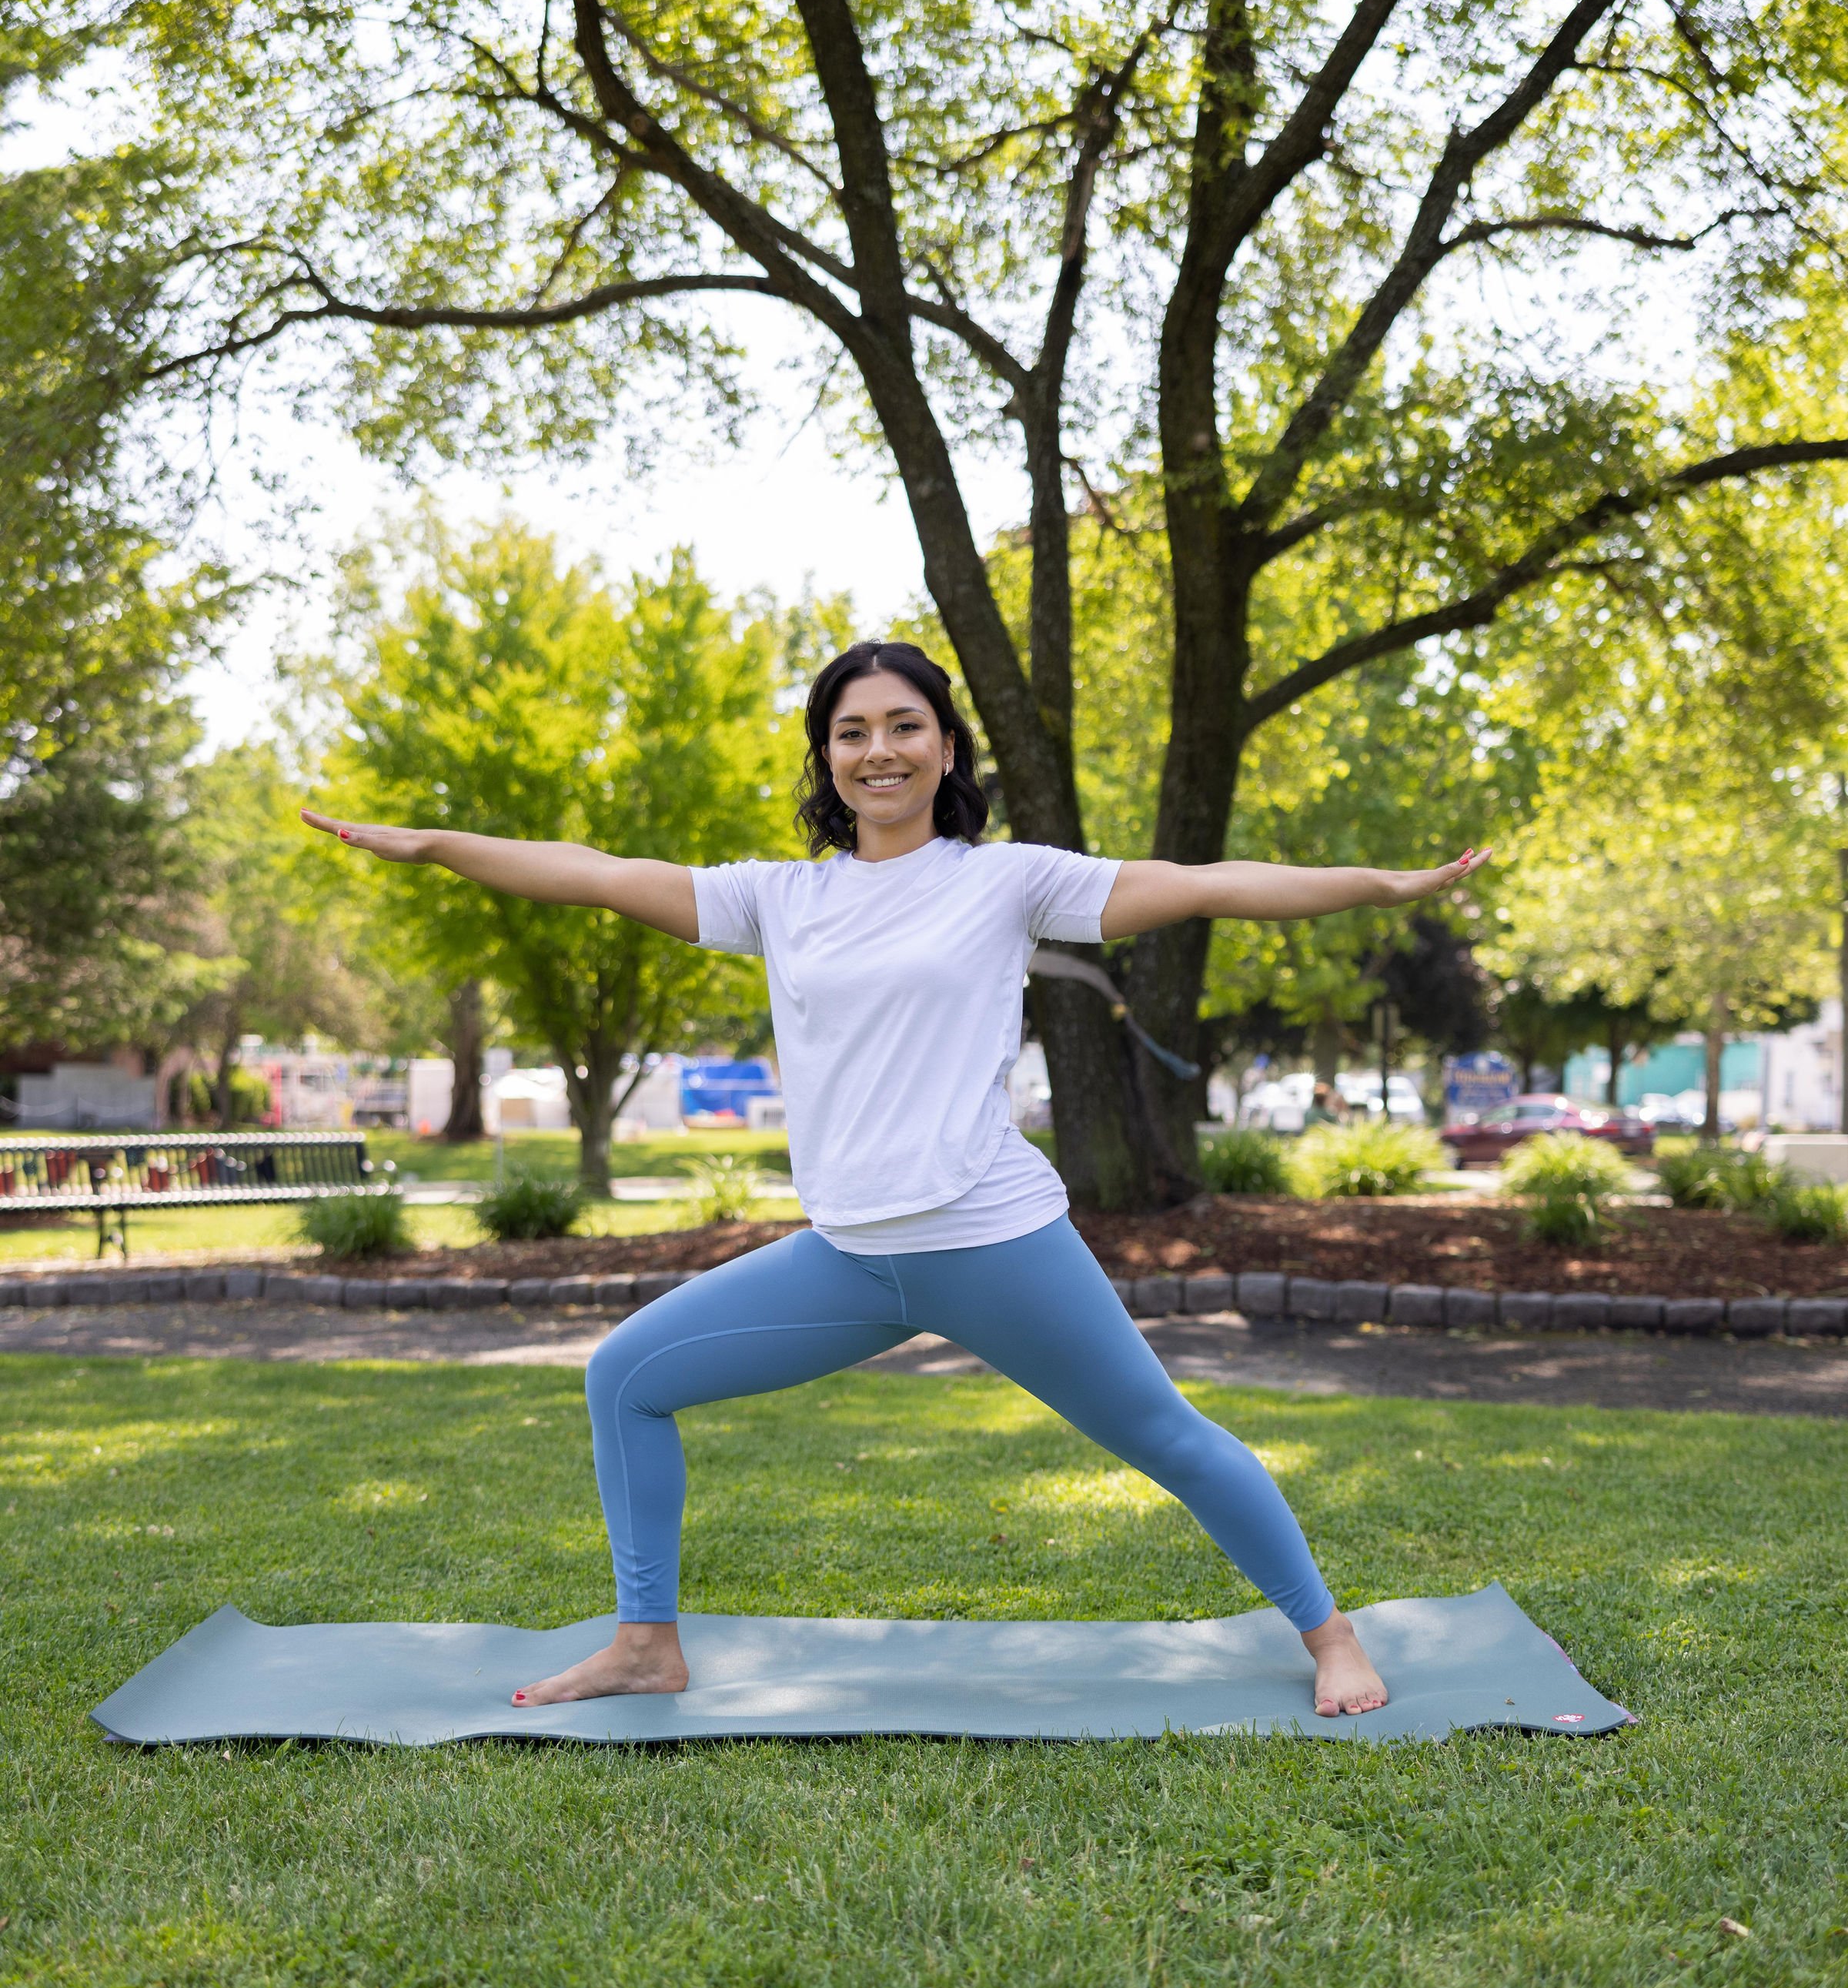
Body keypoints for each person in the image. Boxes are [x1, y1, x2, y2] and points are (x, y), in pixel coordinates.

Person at [304, 640, 1487, 1719]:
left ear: (945, 747)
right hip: (850, 1257)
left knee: (1164, 1440)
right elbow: (596, 872)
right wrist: (435, 848)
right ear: (827, 755)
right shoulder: (779, 897)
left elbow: (1210, 883)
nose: (879, 749)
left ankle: (1328, 1636)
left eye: (904, 725)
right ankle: (644, 1644)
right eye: (853, 729)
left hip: (992, 1245)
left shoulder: (1008, 880)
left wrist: (1379, 887)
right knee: (626, 1374)